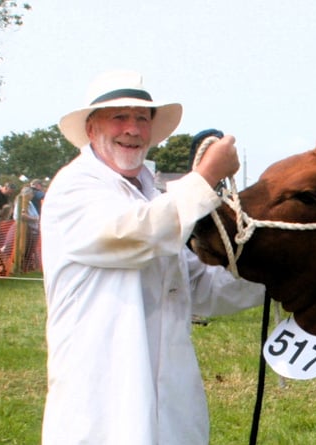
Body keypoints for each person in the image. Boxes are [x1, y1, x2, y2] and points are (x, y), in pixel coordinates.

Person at [40, 70, 266, 445]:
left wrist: (283, 275)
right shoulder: (73, 188)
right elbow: (136, 233)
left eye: (142, 118)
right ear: (92, 128)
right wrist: (206, 177)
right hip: (101, 399)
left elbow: (200, 284)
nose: (132, 128)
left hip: (171, 401)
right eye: (119, 117)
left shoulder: (150, 195)